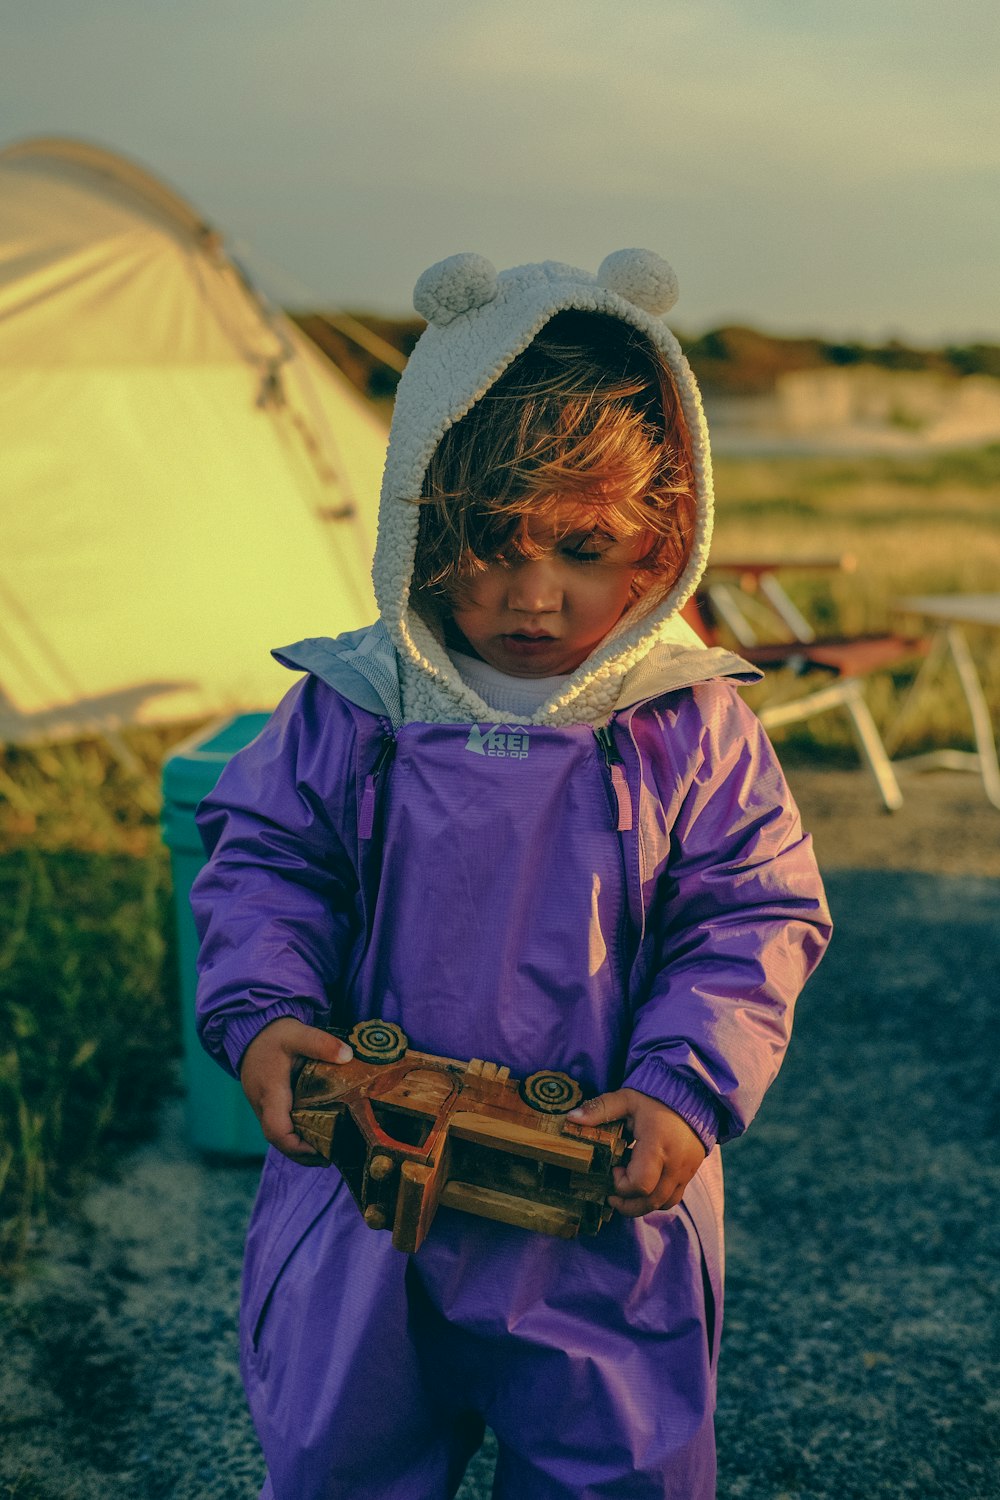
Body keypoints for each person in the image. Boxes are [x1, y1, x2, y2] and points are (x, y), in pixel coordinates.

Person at [192, 249, 832, 1500]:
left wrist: (682, 1086)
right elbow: (267, 865)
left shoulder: (684, 720)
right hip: (363, 1187)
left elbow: (751, 912)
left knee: (613, 1469)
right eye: (490, 542)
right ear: (419, 519)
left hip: (603, 1197)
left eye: (583, 547)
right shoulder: (353, 704)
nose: (531, 594)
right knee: (342, 1459)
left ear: (663, 532)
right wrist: (264, 1015)